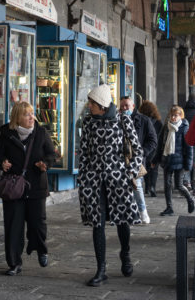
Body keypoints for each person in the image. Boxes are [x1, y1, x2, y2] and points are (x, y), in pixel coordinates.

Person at [78, 84, 142, 287]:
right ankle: (101, 269)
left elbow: (138, 151)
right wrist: (83, 178)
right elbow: (84, 152)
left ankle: (125, 253)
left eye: (92, 104)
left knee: (122, 220)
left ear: (103, 106)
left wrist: (130, 172)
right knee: (97, 223)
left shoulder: (123, 119)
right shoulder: (88, 122)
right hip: (94, 180)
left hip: (118, 179)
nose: (89, 106)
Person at [0, 101, 56, 276]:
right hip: (13, 187)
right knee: (13, 226)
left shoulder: (41, 133)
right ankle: (14, 263)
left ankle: (41, 249)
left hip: (36, 186)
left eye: (32, 114)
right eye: (27, 114)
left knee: (38, 223)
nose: (31, 117)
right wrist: (2, 162)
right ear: (17, 117)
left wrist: (46, 164)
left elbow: (52, 154)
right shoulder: (6, 134)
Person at [119, 95, 158, 223]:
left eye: (127, 106)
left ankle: (143, 211)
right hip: (120, 160)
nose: (124, 108)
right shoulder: (117, 120)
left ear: (133, 106)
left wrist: (142, 153)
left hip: (136, 160)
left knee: (137, 186)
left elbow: (153, 141)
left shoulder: (144, 120)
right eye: (122, 106)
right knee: (123, 188)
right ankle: (127, 212)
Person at [156, 105, 194, 216]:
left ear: (180, 116)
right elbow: (160, 144)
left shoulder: (184, 128)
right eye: (172, 115)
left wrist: (188, 165)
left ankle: (190, 199)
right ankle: (169, 208)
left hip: (179, 162)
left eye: (176, 115)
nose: (173, 117)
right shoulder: (166, 127)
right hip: (167, 160)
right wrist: (156, 159)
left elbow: (189, 147)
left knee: (179, 185)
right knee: (167, 185)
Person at [138, 101, 163, 197]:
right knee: (154, 169)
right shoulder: (158, 122)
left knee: (146, 168)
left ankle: (147, 188)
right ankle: (153, 187)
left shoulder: (142, 120)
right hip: (155, 148)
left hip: (145, 147)